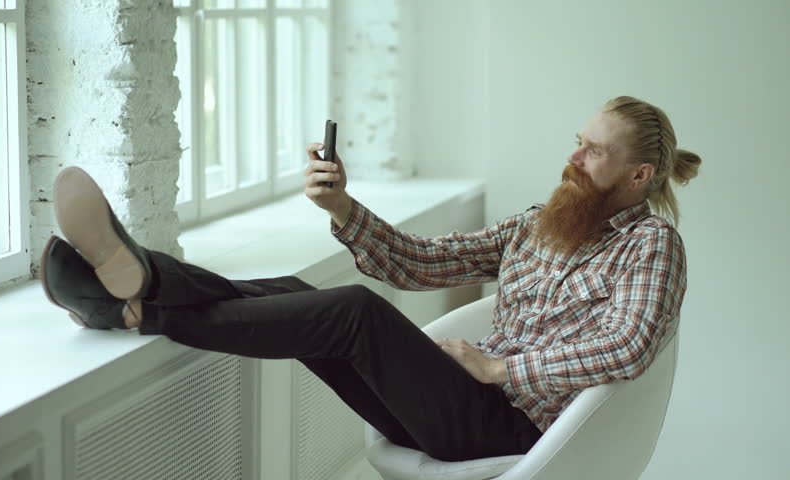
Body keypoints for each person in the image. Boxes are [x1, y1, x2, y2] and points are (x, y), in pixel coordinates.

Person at [40, 95, 700, 463]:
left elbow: (628, 346)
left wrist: (500, 369)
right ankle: (132, 295)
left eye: (594, 151)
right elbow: (419, 261)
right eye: (578, 140)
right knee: (299, 295)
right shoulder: (541, 223)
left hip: (515, 429)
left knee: (353, 310)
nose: (573, 157)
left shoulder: (651, 246)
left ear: (638, 176)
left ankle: (141, 292)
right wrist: (341, 207)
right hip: (457, 402)